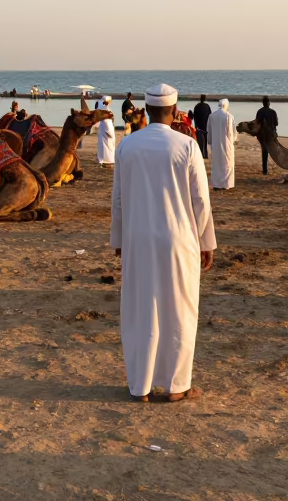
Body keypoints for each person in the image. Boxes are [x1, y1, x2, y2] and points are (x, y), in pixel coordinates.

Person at [110, 83, 215, 402]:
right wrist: (206, 240)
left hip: (138, 239)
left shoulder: (127, 146)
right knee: (180, 309)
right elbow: (200, 198)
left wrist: (118, 238)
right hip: (179, 239)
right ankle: (177, 386)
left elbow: (117, 199)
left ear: (148, 109)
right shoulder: (186, 145)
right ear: (174, 109)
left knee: (140, 309)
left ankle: (139, 386)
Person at [207, 98, 236, 190]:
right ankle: (226, 184)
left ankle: (216, 184)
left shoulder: (212, 116)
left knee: (216, 163)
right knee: (227, 163)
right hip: (227, 144)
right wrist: (232, 142)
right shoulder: (229, 116)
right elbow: (232, 133)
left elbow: (209, 131)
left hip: (215, 144)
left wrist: (210, 141)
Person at [255, 96, 279, 174]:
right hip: (271, 134)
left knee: (264, 151)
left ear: (263, 103)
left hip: (262, 134)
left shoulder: (259, 111)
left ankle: (265, 169)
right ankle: (275, 166)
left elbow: (257, 123)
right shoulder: (273, 112)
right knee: (273, 151)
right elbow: (276, 124)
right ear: (269, 103)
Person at [97, 95, 116, 167]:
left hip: (102, 128)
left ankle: (102, 160)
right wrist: (111, 133)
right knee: (108, 146)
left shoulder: (101, 108)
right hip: (106, 129)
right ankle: (108, 161)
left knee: (102, 145)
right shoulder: (107, 110)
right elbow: (107, 122)